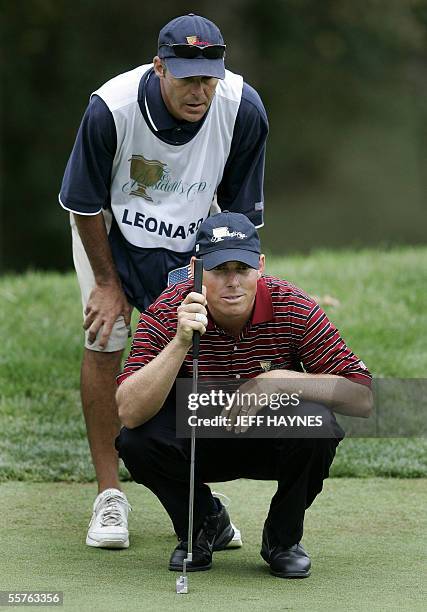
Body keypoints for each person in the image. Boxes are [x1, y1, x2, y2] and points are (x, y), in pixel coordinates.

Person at [58, 14, 268, 548]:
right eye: (186, 77)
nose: (199, 90)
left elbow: (240, 219)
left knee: (194, 343)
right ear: (159, 67)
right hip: (111, 228)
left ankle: (198, 503)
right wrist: (108, 284)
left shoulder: (242, 110)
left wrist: (222, 287)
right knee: (107, 339)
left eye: (208, 77)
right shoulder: (112, 108)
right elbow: (83, 204)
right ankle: (110, 496)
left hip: (198, 230)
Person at [115, 211, 373, 578]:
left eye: (243, 268)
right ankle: (203, 524)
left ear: (260, 267)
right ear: (196, 270)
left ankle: (282, 539)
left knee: (317, 424)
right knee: (136, 441)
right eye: (220, 270)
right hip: (195, 441)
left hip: (268, 438)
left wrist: (278, 381)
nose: (233, 282)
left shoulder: (292, 306)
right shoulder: (167, 312)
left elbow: (362, 396)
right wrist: (180, 342)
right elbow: (129, 412)